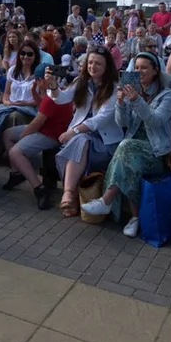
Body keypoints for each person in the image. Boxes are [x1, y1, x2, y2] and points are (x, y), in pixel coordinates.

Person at [80, 52, 171, 237]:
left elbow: (155, 121)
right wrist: (120, 103)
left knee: (124, 147)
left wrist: (135, 100)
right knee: (128, 158)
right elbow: (123, 123)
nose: (139, 71)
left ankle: (107, 200)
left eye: (144, 68)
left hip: (156, 150)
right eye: (136, 67)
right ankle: (134, 219)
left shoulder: (168, 95)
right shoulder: (132, 89)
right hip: (132, 148)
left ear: (155, 71)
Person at [45, 46, 122, 217]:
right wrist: (53, 85)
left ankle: (68, 193)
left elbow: (101, 119)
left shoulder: (114, 88)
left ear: (106, 67)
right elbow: (61, 98)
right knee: (79, 143)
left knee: (79, 141)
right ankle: (71, 196)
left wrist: (74, 131)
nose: (93, 67)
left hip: (105, 141)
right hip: (83, 137)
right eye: (91, 62)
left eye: (98, 64)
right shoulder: (82, 82)